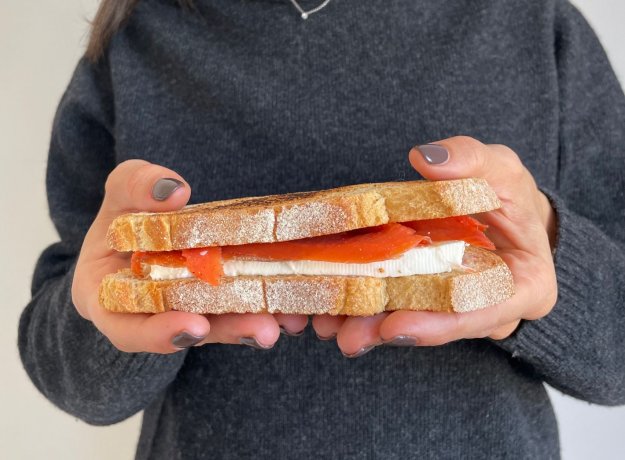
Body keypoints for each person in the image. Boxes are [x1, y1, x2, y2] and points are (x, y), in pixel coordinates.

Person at [18, 0, 625, 458]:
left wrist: (547, 257)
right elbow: (66, 369)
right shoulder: (137, 37)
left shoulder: (529, 20)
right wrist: (105, 321)